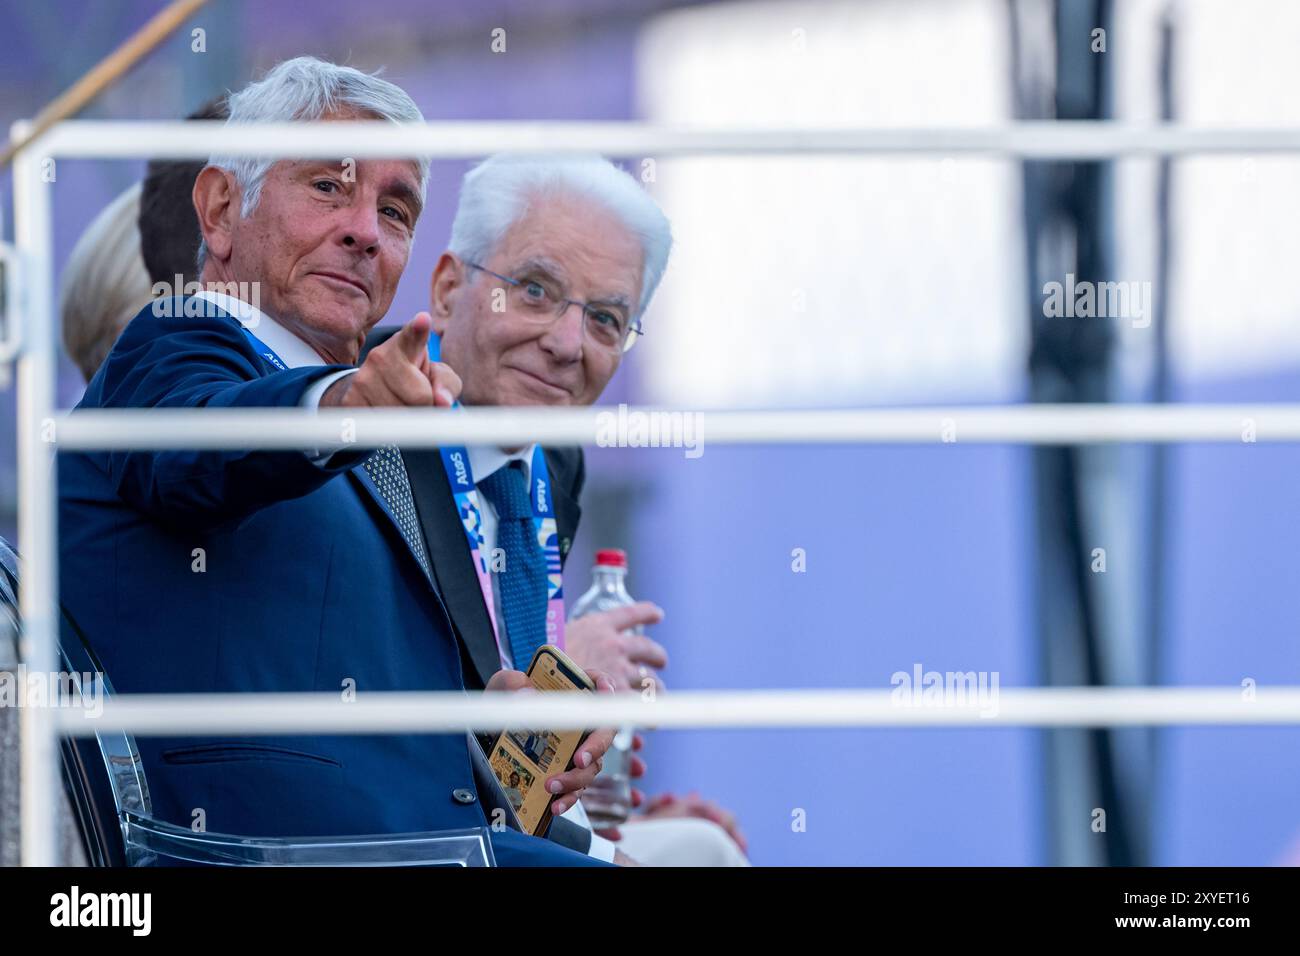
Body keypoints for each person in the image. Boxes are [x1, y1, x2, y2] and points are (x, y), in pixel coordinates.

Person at [57, 56, 617, 867]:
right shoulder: (173, 347)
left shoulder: (352, 410)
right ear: (219, 208)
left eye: (395, 211)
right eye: (327, 187)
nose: (363, 229)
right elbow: (199, 446)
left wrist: (486, 724)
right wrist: (343, 409)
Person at [365, 154, 748, 864]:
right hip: (394, 832)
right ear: (448, 289)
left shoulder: (556, 463)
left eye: (606, 319)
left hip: (511, 825)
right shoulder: (367, 424)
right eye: (535, 291)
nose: (568, 344)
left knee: (705, 848)